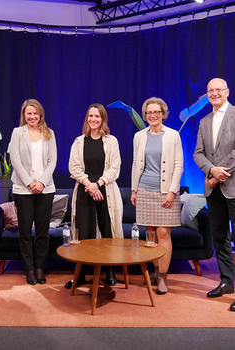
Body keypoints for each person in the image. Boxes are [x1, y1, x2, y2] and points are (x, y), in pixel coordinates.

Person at [65, 103, 123, 289]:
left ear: (103, 119)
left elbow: (115, 168)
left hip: (106, 191)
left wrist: (98, 184)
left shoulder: (111, 141)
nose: (93, 119)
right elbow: (73, 168)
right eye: (91, 116)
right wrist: (89, 185)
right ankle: (80, 274)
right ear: (87, 118)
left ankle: (110, 271)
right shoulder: (79, 142)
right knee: (83, 234)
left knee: (108, 231)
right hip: (84, 191)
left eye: (97, 116)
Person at [131, 97, 183, 294]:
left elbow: (178, 165)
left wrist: (172, 191)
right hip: (144, 190)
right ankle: (154, 272)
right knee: (151, 235)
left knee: (163, 234)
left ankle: (163, 277)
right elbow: (136, 164)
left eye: (156, 112)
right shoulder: (139, 136)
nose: (153, 115)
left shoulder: (173, 135)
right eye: (149, 112)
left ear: (163, 114)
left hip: (165, 192)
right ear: (145, 116)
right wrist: (134, 189)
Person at [194, 78, 235, 311]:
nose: (214, 93)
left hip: (233, 185)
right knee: (220, 237)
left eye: (218, 89)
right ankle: (227, 282)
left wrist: (220, 172)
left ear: (227, 91)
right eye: (210, 90)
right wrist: (211, 170)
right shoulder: (203, 121)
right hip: (213, 188)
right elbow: (198, 153)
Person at [9, 99, 57, 285]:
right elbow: (15, 160)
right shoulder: (17, 133)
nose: (32, 116)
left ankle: (40, 267)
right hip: (23, 189)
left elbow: (53, 160)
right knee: (25, 231)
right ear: (24, 115)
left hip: (46, 188)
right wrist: (30, 183)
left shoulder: (49, 133)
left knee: (43, 231)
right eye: (29, 113)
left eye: (35, 113)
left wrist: (42, 183)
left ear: (40, 115)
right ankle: (29, 268)